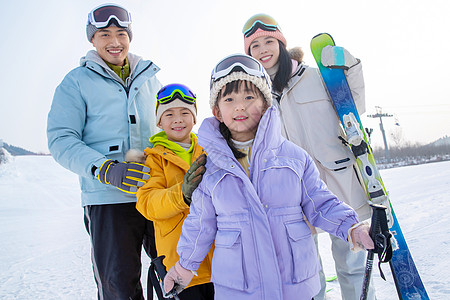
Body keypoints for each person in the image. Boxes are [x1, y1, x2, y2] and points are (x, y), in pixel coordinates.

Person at [162, 54, 374, 300]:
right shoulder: (211, 169)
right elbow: (200, 224)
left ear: (265, 103)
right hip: (239, 290)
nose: (240, 106)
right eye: (229, 99)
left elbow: (321, 202)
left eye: (249, 97)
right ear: (217, 111)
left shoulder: (295, 158)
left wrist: (352, 227)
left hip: (296, 287)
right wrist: (183, 267)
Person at [241, 13, 375, 299]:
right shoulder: (257, 96)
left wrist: (349, 66)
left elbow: (354, 106)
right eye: (255, 46)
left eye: (268, 41)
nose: (263, 49)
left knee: (351, 264)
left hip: (337, 183)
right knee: (306, 273)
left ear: (281, 43)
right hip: (293, 192)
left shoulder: (315, 77)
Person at [47, 4, 162, 299]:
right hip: (108, 200)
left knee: (175, 274)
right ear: (92, 40)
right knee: (118, 286)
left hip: (156, 193)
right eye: (104, 34)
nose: (114, 42)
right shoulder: (76, 82)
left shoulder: (150, 78)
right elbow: (61, 139)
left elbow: (170, 130)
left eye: (121, 34)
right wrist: (105, 168)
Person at [135, 83, 215, 299]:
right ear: (159, 122)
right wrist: (182, 194)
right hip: (179, 265)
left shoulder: (210, 150)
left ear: (195, 118)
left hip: (219, 263)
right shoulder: (154, 159)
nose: (178, 119)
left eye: (184, 112)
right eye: (169, 114)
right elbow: (147, 203)